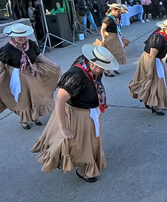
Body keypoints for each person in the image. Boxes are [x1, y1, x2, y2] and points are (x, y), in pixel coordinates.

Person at [31, 45, 117, 183]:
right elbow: (59, 99)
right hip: (77, 115)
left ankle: (90, 167)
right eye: (102, 67)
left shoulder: (93, 69)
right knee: (81, 144)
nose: (104, 70)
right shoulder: (76, 76)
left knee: (93, 141)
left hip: (90, 112)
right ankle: (85, 170)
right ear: (93, 63)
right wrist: (63, 127)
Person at [0, 23, 62, 129]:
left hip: (33, 74)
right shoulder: (7, 49)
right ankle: (24, 120)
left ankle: (35, 117)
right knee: (23, 100)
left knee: (37, 97)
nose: (22, 39)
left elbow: (39, 57)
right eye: (19, 36)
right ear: (13, 35)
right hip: (17, 78)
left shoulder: (31, 44)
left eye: (24, 36)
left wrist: (52, 65)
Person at [129, 19, 167, 116]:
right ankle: (155, 106)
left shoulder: (162, 35)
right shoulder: (157, 38)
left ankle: (150, 101)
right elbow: (152, 55)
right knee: (157, 83)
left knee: (154, 83)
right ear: (166, 29)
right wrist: (150, 71)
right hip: (150, 60)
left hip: (156, 60)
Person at [99, 4, 129, 76]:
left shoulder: (114, 17)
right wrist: (103, 38)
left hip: (115, 37)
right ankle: (106, 70)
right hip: (110, 38)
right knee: (110, 54)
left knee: (118, 52)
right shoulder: (108, 18)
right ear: (113, 10)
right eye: (118, 11)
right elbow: (102, 29)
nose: (119, 13)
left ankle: (113, 67)